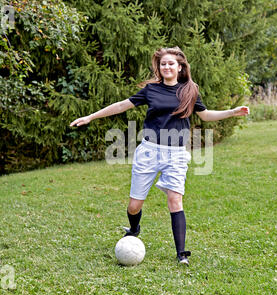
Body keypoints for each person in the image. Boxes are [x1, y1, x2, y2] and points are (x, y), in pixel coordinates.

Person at [70, 46, 249, 265]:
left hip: (176, 154)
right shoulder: (151, 89)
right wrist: (90, 117)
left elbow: (205, 115)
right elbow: (121, 105)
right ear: (159, 67)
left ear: (180, 66)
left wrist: (233, 112)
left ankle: (181, 253)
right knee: (134, 205)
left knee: (175, 200)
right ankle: (134, 228)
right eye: (163, 63)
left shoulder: (190, 90)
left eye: (171, 63)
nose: (166, 67)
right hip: (149, 151)